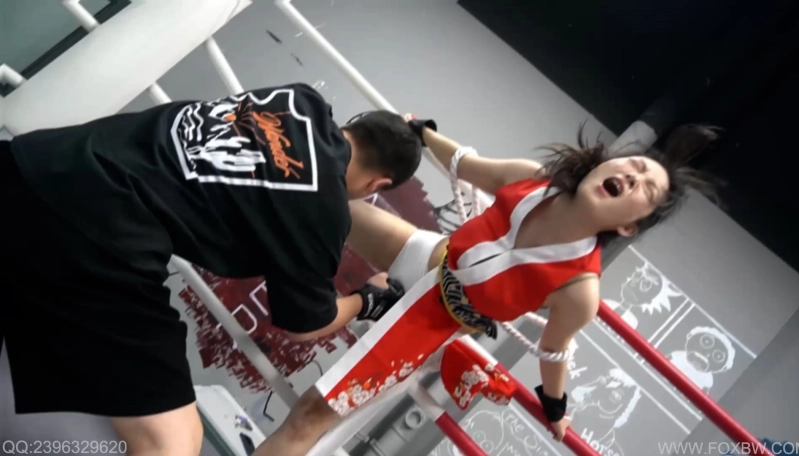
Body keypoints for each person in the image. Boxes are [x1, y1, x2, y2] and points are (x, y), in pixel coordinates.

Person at [0, 83, 423, 455]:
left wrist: (404, 133)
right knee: (173, 443)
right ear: (378, 186)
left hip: (36, 161)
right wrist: (367, 299)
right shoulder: (325, 212)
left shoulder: (298, 98)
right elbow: (305, 324)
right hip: (95, 235)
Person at [256, 118, 718, 455]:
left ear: (630, 227)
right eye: (634, 165)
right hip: (429, 257)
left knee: (309, 416)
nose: (634, 176)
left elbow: (554, 351)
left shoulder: (579, 290)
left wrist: (555, 408)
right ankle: (232, 195)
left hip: (433, 323)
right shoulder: (533, 181)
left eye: (646, 190)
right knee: (321, 201)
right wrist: (423, 133)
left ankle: (374, 303)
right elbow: (465, 164)